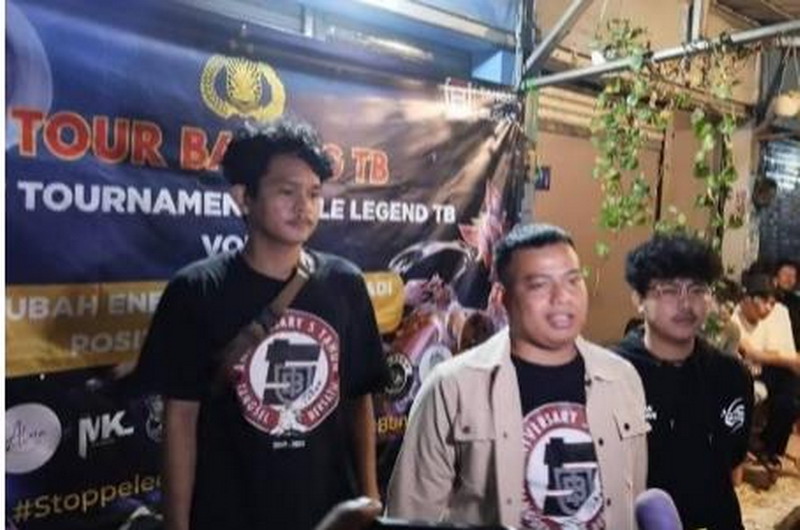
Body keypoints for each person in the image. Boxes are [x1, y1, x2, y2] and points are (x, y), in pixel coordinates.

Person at [138, 118, 388, 530]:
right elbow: (180, 419)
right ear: (244, 197)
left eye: (314, 193)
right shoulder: (196, 291)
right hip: (229, 513)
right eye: (287, 192)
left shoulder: (344, 283)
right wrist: (177, 525)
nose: (304, 207)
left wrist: (370, 499)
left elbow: (357, 400)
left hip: (328, 513)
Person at [386, 223, 649, 529]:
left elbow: (633, 501)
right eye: (539, 285)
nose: (562, 297)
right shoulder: (452, 387)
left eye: (573, 280)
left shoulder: (621, 379)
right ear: (502, 297)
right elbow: (410, 514)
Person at [614, 233, 753, 530]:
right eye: (669, 290)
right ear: (639, 299)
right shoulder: (612, 376)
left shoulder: (730, 375)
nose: (686, 303)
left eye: (697, 290)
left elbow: (733, 462)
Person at [732, 268, 800, 470]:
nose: (769, 309)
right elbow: (753, 353)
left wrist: (784, 359)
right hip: (740, 375)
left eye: (772, 303)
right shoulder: (733, 319)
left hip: (765, 372)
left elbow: (776, 352)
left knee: (790, 393)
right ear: (748, 299)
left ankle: (771, 449)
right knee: (786, 372)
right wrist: (787, 359)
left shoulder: (770, 318)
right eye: (766, 302)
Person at [774, 259, 800, 346]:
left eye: (793, 276)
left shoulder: (796, 302)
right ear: (776, 276)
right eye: (785, 274)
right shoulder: (768, 298)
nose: (789, 279)